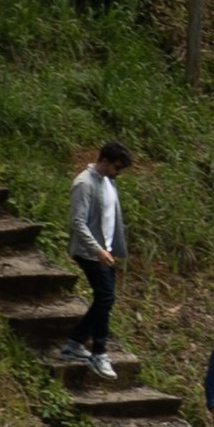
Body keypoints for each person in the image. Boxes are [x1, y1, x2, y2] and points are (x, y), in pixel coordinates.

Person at [63, 140, 131, 377]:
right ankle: (99, 352)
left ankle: (75, 343)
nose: (118, 172)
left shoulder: (109, 181)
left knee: (105, 300)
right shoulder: (84, 184)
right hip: (89, 252)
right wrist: (97, 250)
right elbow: (77, 222)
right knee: (105, 298)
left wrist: (110, 248)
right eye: (116, 167)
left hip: (106, 251)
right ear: (103, 160)